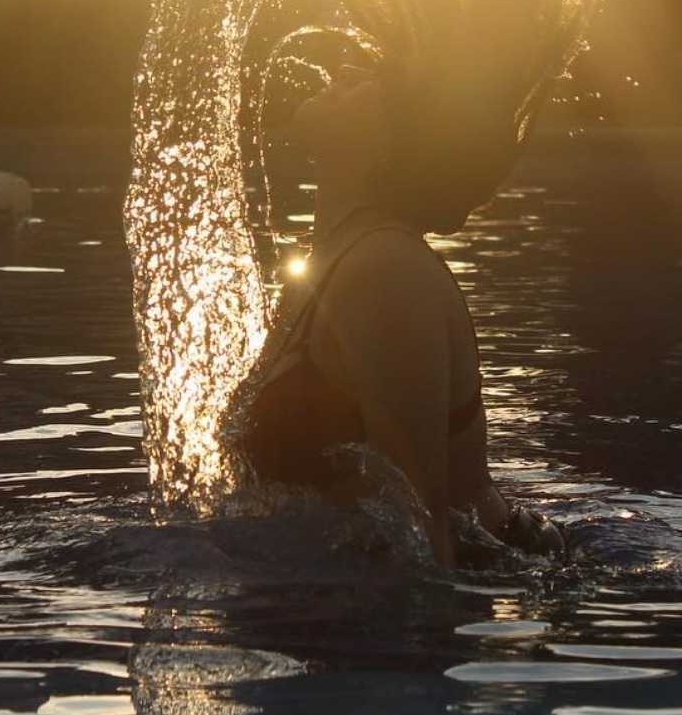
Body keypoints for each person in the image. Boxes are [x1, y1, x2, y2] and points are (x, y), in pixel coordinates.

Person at [237, 58, 571, 569]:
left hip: (487, 575)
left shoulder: (385, 274)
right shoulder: (327, 261)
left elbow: (423, 524)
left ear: (391, 144)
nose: (345, 69)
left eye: (377, 78)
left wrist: (416, 644)